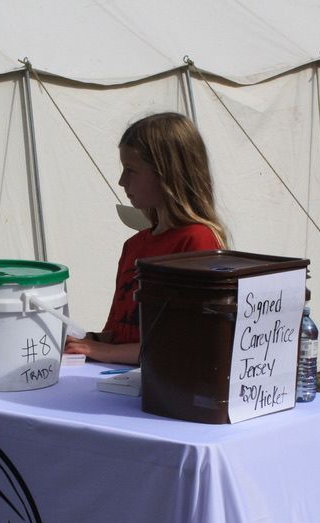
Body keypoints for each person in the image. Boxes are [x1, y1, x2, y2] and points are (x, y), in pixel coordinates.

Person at [64, 112, 226, 365]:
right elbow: (123, 332)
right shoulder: (134, 245)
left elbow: (189, 343)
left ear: (167, 174)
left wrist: (102, 351)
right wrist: (89, 340)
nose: (121, 181)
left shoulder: (198, 242)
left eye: (131, 170)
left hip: (159, 389)